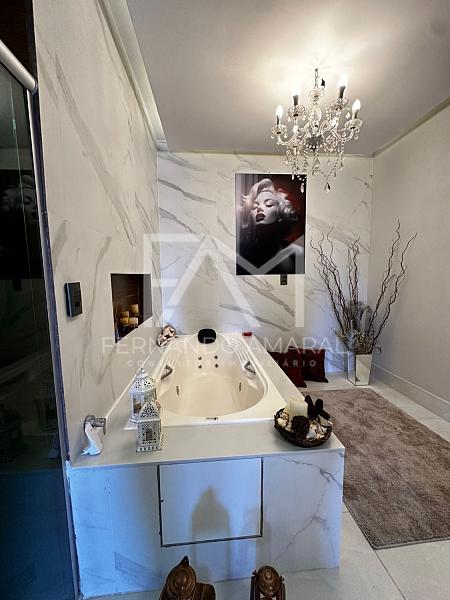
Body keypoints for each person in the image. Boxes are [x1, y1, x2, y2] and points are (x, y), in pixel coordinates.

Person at [237, 178, 304, 274]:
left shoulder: (297, 253)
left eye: (268, 204)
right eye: (254, 206)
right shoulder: (240, 255)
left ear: (280, 213)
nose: (259, 208)